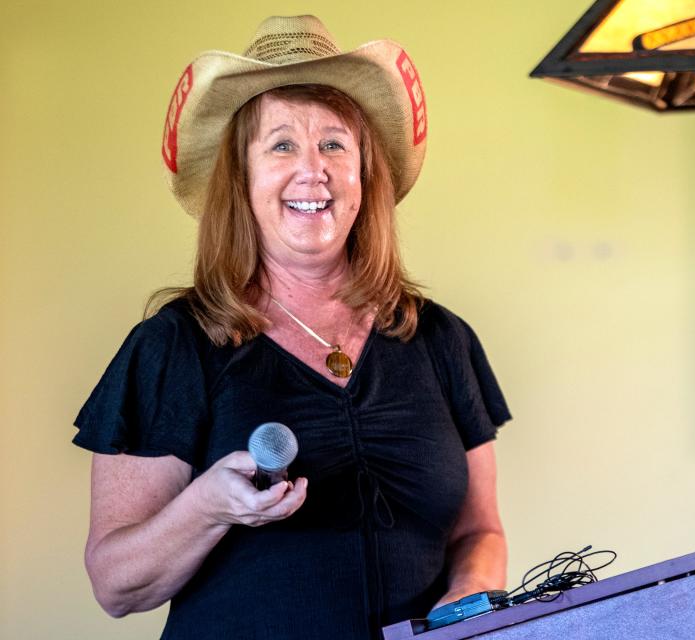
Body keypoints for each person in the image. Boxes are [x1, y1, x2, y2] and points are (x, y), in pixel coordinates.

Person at [73, 15, 510, 640]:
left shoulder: (440, 338)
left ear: (364, 175)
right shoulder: (176, 345)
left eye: (335, 144)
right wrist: (209, 507)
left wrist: (464, 602)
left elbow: (480, 532)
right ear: (243, 181)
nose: (314, 170)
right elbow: (116, 587)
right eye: (281, 145)